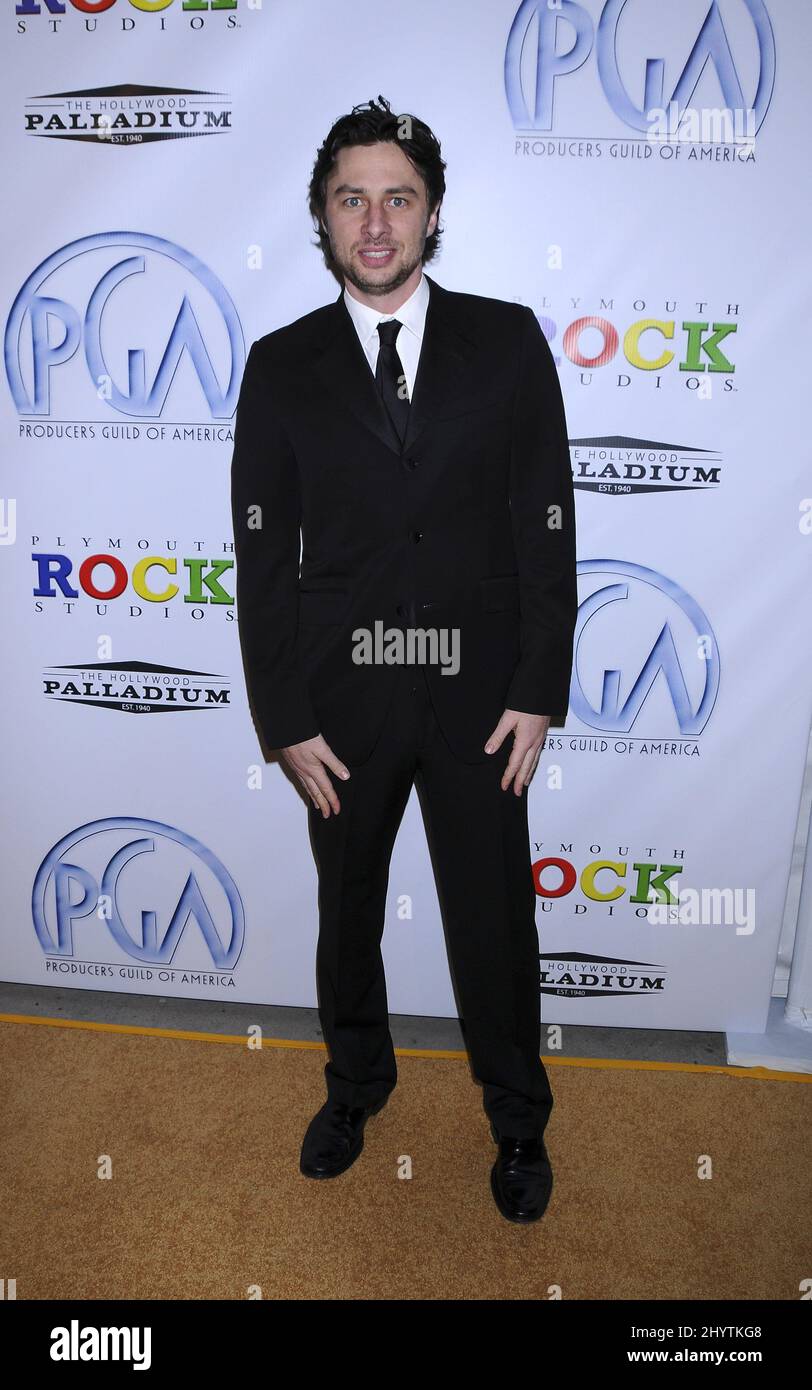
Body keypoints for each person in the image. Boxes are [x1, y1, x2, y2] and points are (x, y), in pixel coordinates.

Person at [230, 95, 577, 1223]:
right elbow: (260, 553)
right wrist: (281, 713)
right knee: (347, 916)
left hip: (481, 702)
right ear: (321, 219)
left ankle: (517, 1120)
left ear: (432, 215)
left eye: (396, 198)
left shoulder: (510, 338)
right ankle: (353, 1087)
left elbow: (545, 524)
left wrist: (536, 687)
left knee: (493, 920)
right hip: (342, 703)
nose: (372, 223)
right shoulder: (280, 366)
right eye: (349, 200)